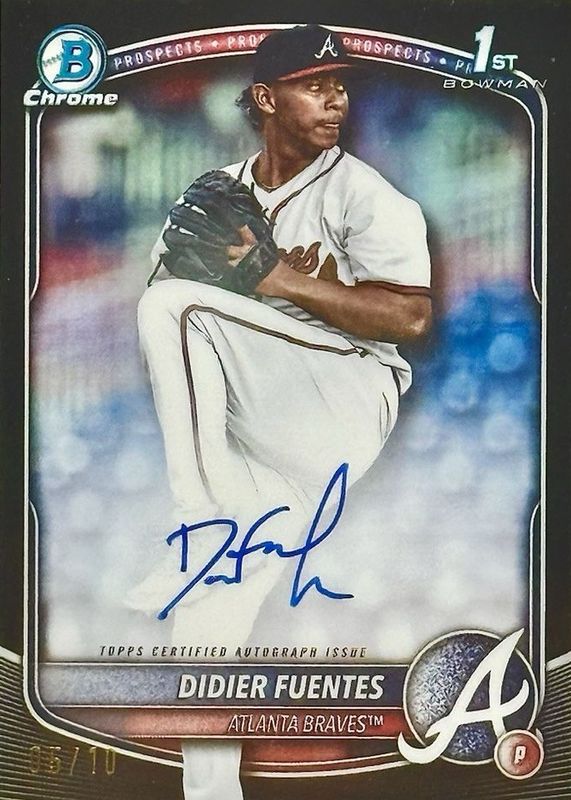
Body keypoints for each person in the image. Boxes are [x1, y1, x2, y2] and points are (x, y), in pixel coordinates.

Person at [135, 24, 431, 800]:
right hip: (263, 423)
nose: (334, 98)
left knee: (173, 309)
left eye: (339, 84)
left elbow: (409, 317)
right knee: (209, 608)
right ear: (265, 98)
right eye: (312, 84)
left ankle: (200, 519)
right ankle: (210, 792)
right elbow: (169, 295)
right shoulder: (218, 192)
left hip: (346, 397)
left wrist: (276, 280)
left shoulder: (362, 195)